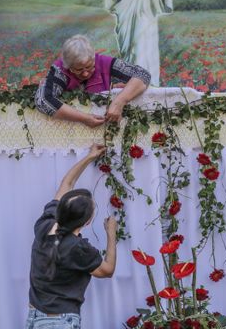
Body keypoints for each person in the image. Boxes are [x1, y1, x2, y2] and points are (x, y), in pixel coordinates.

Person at [26, 144, 117, 329]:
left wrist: (90, 155)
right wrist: (111, 234)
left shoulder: (44, 225)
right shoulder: (78, 249)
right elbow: (107, 271)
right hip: (58, 322)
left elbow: (66, 185)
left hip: (35, 317)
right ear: (87, 222)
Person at [35, 34, 151, 127]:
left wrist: (119, 102)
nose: (85, 73)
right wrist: (84, 118)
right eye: (78, 69)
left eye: (89, 67)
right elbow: (43, 100)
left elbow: (143, 75)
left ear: (93, 58)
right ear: (68, 66)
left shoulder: (103, 61)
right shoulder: (60, 69)